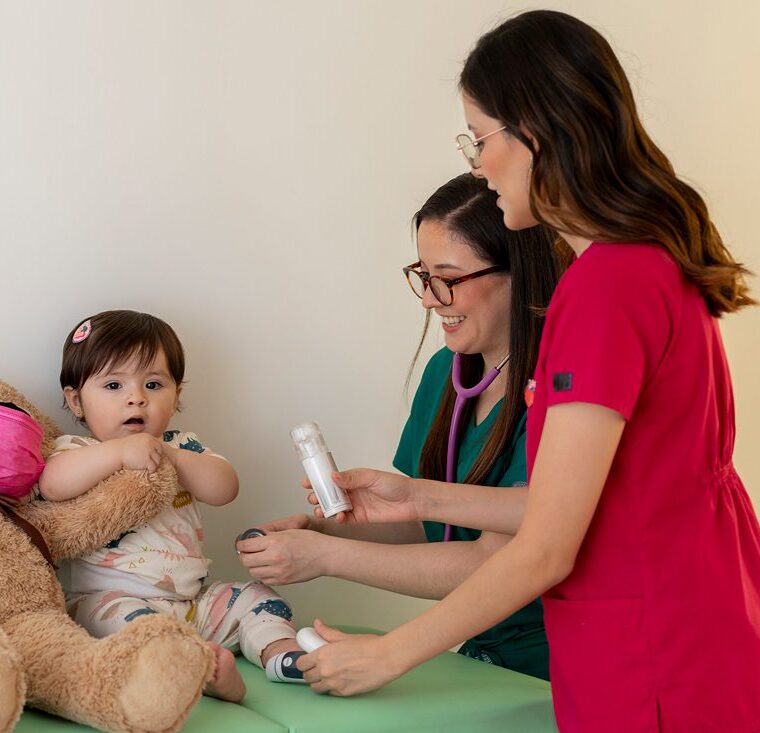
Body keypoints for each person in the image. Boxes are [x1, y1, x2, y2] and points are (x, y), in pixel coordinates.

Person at [295, 11, 760, 732]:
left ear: (535, 134)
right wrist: (417, 495)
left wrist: (389, 653)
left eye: (480, 140)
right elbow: (585, 502)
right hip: (684, 627)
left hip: (651, 653)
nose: (477, 165)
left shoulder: (607, 286)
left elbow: (547, 544)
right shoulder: (648, 262)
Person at [237, 173, 565, 680]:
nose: (429, 299)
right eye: (422, 274)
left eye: (448, 278)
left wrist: (327, 555)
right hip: (483, 658)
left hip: (553, 660)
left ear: (518, 272)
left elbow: (496, 562)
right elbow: (428, 528)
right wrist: (321, 528)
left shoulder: (557, 391)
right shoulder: (445, 373)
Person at [39, 310, 306, 703]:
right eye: (113, 385)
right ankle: (198, 670)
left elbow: (224, 487)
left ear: (177, 396)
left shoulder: (182, 446)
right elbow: (52, 485)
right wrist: (119, 454)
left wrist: (172, 457)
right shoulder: (79, 450)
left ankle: (281, 655)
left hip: (193, 604)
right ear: (75, 401)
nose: (136, 397)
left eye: (153, 384)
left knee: (256, 596)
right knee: (131, 630)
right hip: (112, 601)